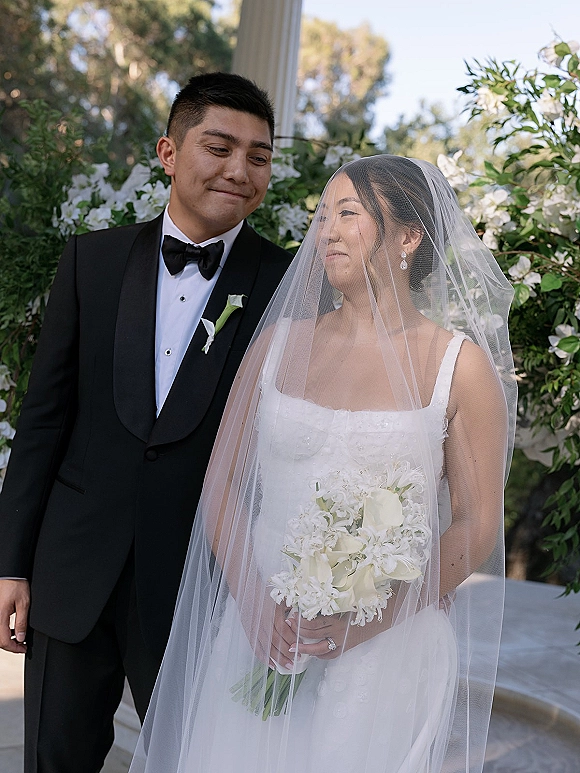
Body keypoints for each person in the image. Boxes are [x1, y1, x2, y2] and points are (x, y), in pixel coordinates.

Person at [130, 155, 516, 773]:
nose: (326, 232)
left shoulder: (460, 369)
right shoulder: (276, 345)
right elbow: (221, 484)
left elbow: (475, 525)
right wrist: (254, 604)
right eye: (321, 215)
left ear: (409, 238)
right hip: (261, 632)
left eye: (348, 214)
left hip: (386, 650)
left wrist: (365, 623)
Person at [0, 72, 290, 772]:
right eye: (218, 146)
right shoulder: (90, 263)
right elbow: (44, 419)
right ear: (168, 151)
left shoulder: (288, 284)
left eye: (258, 155)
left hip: (201, 585)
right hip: (71, 574)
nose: (239, 169)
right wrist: (9, 561)